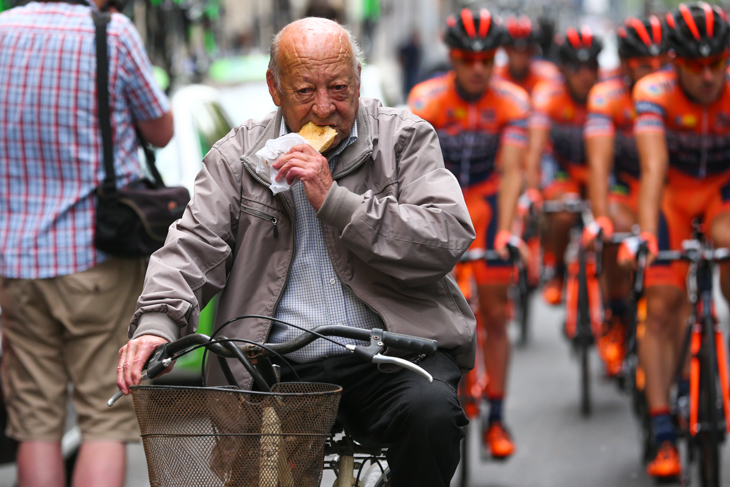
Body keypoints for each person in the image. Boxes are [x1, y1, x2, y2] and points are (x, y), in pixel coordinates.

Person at [117, 17, 476, 487]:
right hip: (276, 361)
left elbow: (446, 234)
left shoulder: (403, 139)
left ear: (359, 81)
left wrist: (337, 202)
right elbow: (192, 245)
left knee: (433, 418)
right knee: (256, 472)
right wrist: (158, 325)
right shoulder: (237, 156)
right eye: (305, 91)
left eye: (340, 88)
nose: (324, 109)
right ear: (275, 88)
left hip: (388, 353)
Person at [0, 0, 172, 486]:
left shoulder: (1, 31)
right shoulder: (111, 34)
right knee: (104, 420)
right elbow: (161, 130)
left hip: (15, 263)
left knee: (35, 424)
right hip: (96, 256)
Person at [407, 7, 530, 460]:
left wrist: (510, 231)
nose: (478, 68)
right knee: (433, 313)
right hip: (442, 208)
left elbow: (514, 172)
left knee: (495, 313)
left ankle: (497, 416)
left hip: (488, 203)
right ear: (453, 58)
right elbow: (413, 173)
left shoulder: (512, 101)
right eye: (467, 58)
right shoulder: (426, 98)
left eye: (487, 59)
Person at [618, 2, 730, 479]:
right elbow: (653, 168)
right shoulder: (653, 91)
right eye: (695, 66)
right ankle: (663, 429)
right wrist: (645, 238)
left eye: (716, 64)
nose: (707, 77)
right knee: (662, 304)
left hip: (721, 198)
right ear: (675, 62)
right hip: (672, 200)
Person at [583, 16, 666, 378]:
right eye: (643, 65)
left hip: (667, 186)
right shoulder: (607, 95)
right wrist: (600, 218)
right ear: (626, 65)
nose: (653, 72)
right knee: (614, 231)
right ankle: (617, 313)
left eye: (660, 63)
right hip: (624, 183)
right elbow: (598, 169)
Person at [524, 26, 602, 306]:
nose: (585, 75)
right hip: (561, 167)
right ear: (563, 69)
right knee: (564, 210)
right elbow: (534, 149)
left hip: (595, 168)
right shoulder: (547, 95)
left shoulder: (604, 94)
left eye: (591, 66)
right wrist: (532, 190)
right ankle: (556, 269)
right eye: (575, 67)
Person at [494, 14, 562, 95]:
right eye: (515, 51)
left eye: (525, 51)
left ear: (531, 52)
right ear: (507, 50)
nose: (519, 57)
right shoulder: (495, 77)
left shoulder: (548, 76)